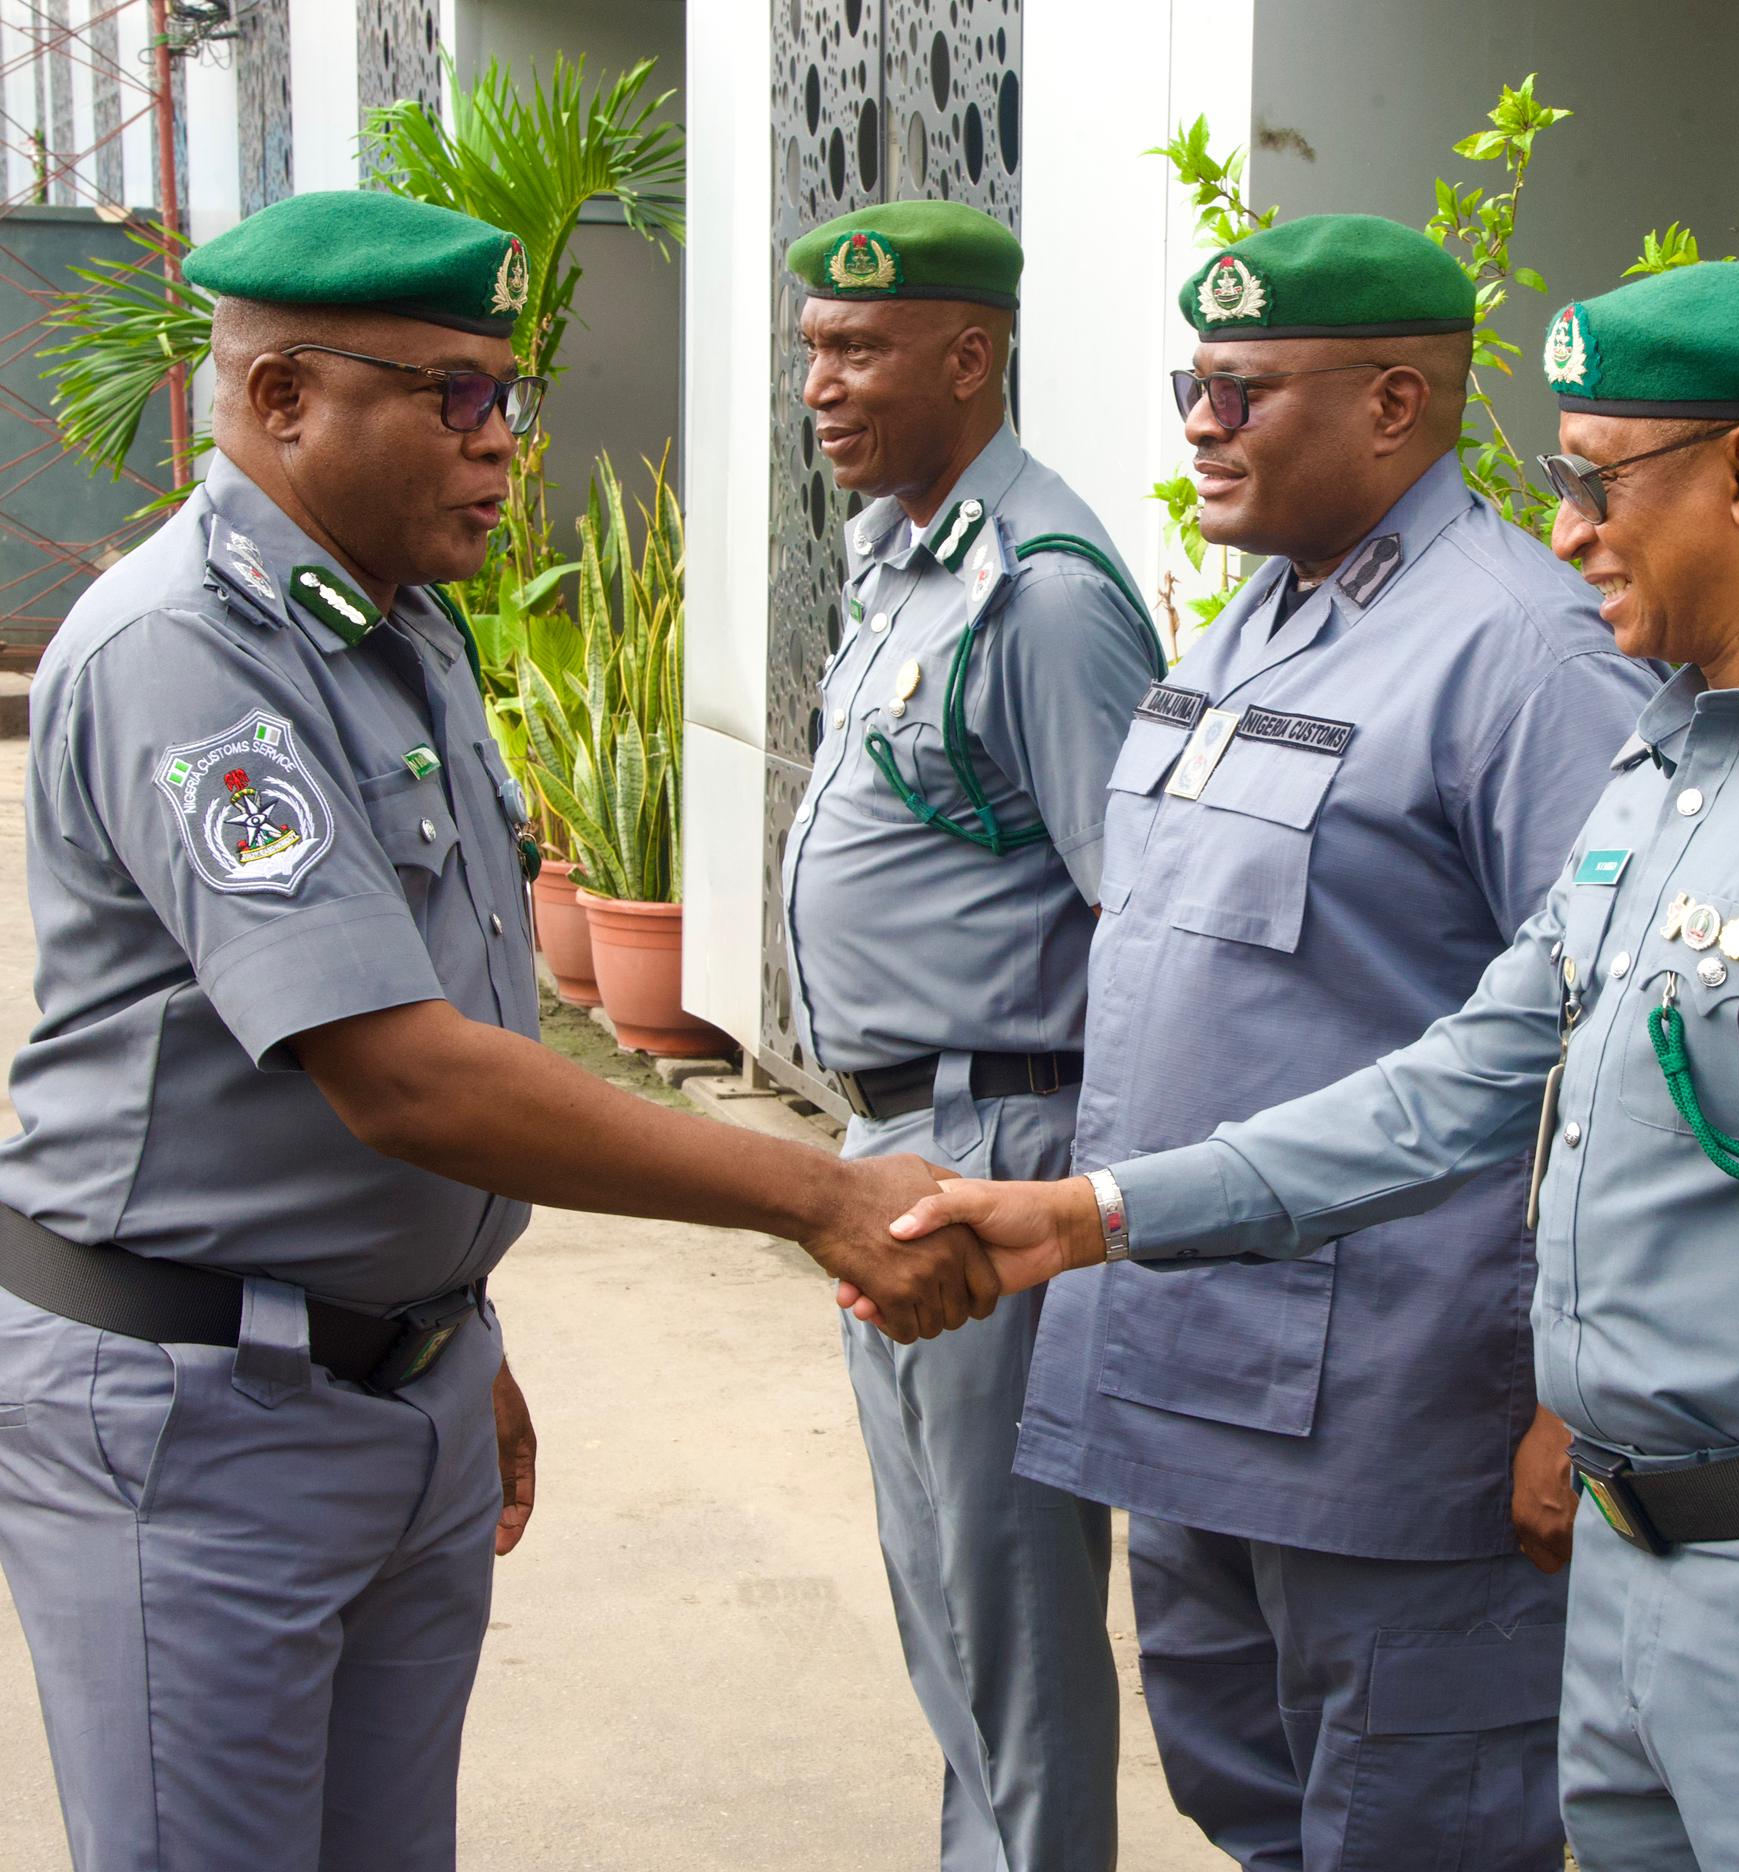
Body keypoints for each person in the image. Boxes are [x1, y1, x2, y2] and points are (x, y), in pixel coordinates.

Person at [880, 259, 1739, 1870]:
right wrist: (1094, 1214)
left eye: (1598, 483)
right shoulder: (1669, 761)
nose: (1566, 530)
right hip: (1624, 1559)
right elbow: (1459, 1082)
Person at [0, 190, 982, 1872]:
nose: (500, 441)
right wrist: (814, 1195)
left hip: (389, 1379)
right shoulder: (191, 651)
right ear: (283, 400)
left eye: (506, 397)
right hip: (197, 1410)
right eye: (451, 394)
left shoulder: (396, 625)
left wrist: (449, 1322)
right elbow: (403, 1073)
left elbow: (458, 1010)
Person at [1000, 212, 1651, 1871]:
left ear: (1392, 405)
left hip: (1392, 1413)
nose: (1202, 425)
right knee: (1249, 1811)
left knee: (1416, 1829)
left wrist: (1574, 1393)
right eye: (1195, 386)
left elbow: (1608, 1045)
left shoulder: (1523, 650)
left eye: (1245, 391)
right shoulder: (1253, 625)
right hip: (1181, 1370)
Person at [778, 199, 1163, 1872]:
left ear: (970, 356)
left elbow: (1142, 925)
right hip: (899, 1140)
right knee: (942, 1599)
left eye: (858, 349)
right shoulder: (907, 561)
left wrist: (1092, 1209)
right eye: (811, 351)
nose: (822, 385)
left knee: (1008, 1621)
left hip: (1001, 1143)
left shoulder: (1047, 596)